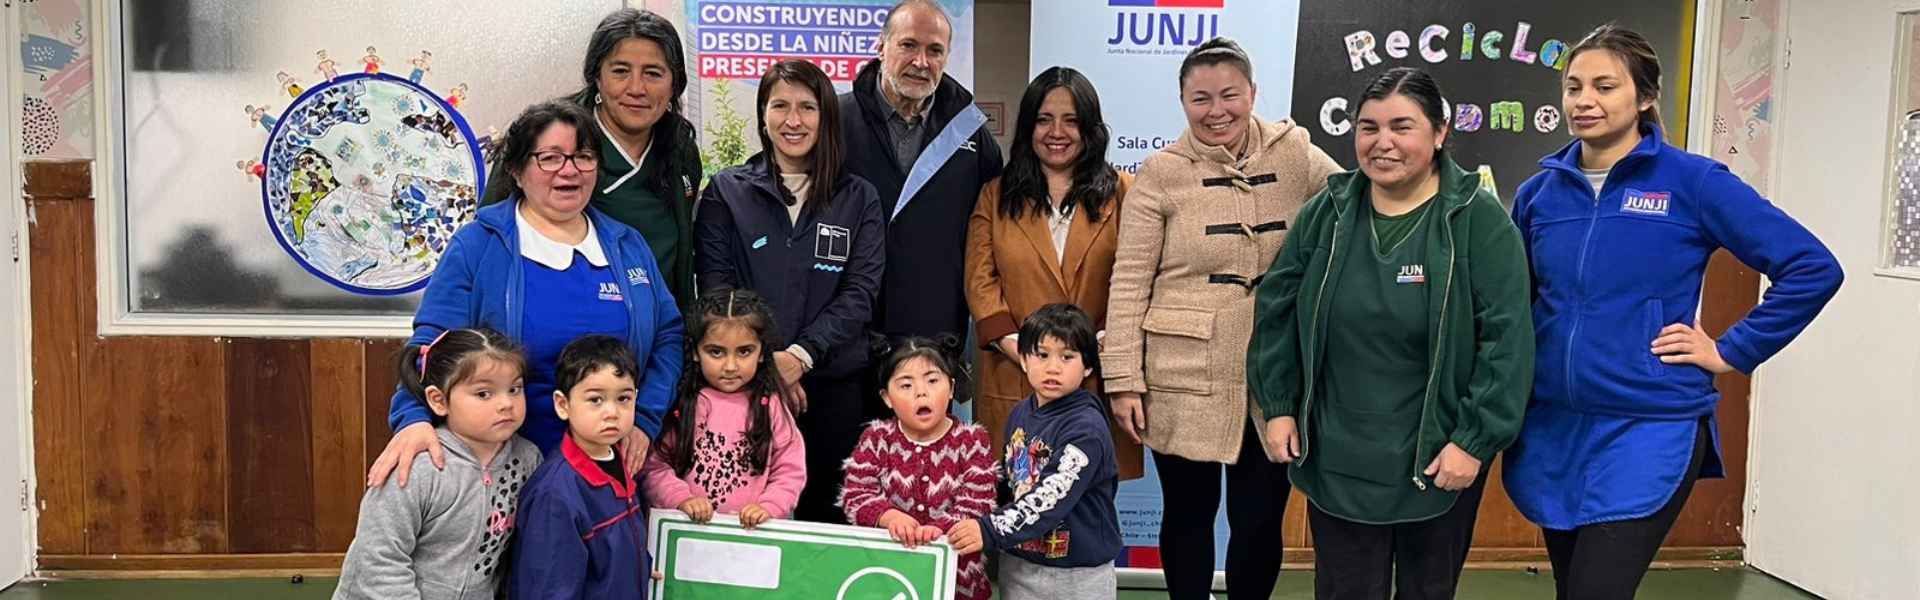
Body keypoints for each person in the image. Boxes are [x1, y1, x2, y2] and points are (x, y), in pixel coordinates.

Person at [1503, 25, 1842, 600]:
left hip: (1648, 427)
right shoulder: (1540, 194)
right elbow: (1517, 304)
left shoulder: (1693, 182)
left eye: (1605, 86)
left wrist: (1730, 350)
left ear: (1643, 97)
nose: (1584, 101)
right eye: (1573, 86)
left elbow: (1812, 267)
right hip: (1553, 428)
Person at [1247, 67, 1535, 600]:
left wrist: (1471, 441)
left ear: (1439, 132)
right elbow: (1276, 310)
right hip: (1338, 450)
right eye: (1368, 127)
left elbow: (1507, 341)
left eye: (1402, 126)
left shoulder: (1479, 221)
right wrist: (1281, 405)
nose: (1382, 143)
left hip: (1437, 451)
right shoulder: (1326, 214)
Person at [1099, 36, 1342, 600]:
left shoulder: (1297, 152)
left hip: (1276, 376)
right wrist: (1123, 380)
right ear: (1182, 102)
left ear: (1253, 93)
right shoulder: (1160, 173)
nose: (1217, 111)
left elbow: (1355, 204)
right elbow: (1130, 281)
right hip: (1182, 373)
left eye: (1229, 95)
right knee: (1187, 517)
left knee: (1258, 521)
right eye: (1200, 99)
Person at [369, 100, 684, 489]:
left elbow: (668, 337)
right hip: (504, 468)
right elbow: (434, 343)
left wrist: (644, 419)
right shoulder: (478, 245)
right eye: (550, 158)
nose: (569, 170)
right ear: (516, 170)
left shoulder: (627, 245)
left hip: (610, 465)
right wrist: (412, 418)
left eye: (583, 156)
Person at [697, 59, 885, 522]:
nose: (793, 120)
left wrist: (799, 357)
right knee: (749, 515)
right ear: (763, 114)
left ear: (826, 117)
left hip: (832, 389)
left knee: (827, 515)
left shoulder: (858, 198)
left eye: (807, 106)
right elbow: (718, 292)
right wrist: (765, 366)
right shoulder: (728, 191)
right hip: (743, 387)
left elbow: (860, 292)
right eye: (780, 105)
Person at [964, 66, 1141, 477]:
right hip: (1016, 377)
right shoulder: (995, 195)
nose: (1056, 132)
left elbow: (1137, 280)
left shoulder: (1126, 192)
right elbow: (980, 283)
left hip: (1093, 379)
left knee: (1087, 515)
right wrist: (1030, 356)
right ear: (1028, 127)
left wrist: (1089, 351)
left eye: (1071, 120)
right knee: (1015, 514)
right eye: (1044, 119)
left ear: (1090, 128)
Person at [484, 8, 704, 305]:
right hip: (558, 327)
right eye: (620, 71)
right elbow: (487, 241)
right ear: (597, 77)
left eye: (653, 73)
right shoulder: (544, 136)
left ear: (674, 83)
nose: (637, 89)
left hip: (658, 333)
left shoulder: (680, 147)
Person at [334, 327, 543, 600]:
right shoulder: (417, 465)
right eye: (484, 393)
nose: (506, 403)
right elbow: (379, 557)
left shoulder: (528, 460)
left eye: (514, 389)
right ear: (439, 400)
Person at [842, 0, 1004, 351]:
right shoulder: (835, 121)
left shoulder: (969, 132)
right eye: (909, 45)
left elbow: (996, 225)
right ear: (881, 48)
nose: (921, 62)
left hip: (934, 333)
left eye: (935, 50)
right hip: (847, 334)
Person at [946, 304, 1120, 600]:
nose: (1053, 367)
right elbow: (1010, 482)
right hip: (1020, 565)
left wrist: (986, 529)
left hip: (1078, 575)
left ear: (1088, 365)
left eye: (1067, 357)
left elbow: (1049, 498)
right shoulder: (1019, 413)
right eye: (1041, 355)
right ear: (1023, 359)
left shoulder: (1086, 429)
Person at [839, 336, 997, 600]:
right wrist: (890, 516)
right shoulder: (876, 439)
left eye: (932, 381)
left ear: (951, 388)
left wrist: (940, 528)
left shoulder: (972, 440)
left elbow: (978, 500)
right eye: (905, 385)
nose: (920, 392)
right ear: (887, 398)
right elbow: (856, 496)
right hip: (890, 574)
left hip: (959, 579)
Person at [640, 289, 807, 527]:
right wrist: (681, 499)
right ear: (696, 351)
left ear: (761, 353)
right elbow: (654, 466)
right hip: (688, 537)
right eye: (716, 352)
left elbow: (790, 469)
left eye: (744, 352)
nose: (730, 366)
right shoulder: (682, 403)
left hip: (753, 541)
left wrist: (769, 507)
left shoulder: (771, 406)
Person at [511, 335, 652, 600]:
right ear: (563, 405)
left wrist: (639, 569)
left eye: (623, 399)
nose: (612, 412)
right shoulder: (555, 494)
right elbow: (549, 588)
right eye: (596, 400)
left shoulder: (622, 460)